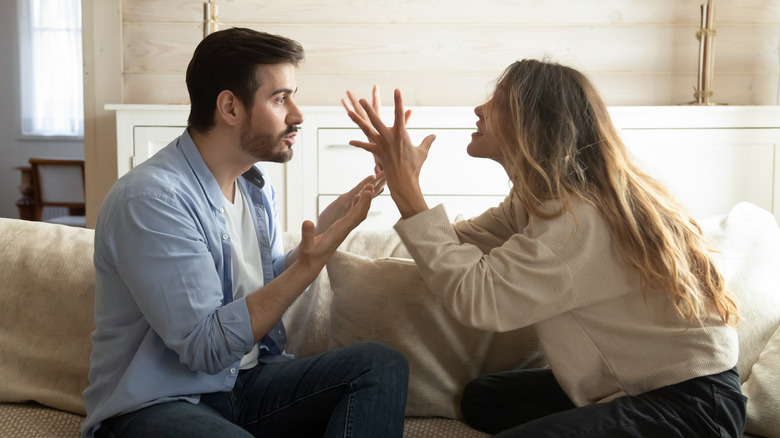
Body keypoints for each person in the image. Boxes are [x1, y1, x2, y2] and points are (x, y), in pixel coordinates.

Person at [342, 59, 747, 437]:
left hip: (693, 405)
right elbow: (452, 246)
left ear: (533, 124)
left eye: (498, 102)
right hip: (639, 386)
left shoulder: (580, 220)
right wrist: (400, 185)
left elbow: (480, 298)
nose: (479, 109)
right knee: (484, 399)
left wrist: (408, 188)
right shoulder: (538, 201)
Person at [81, 28, 409, 438]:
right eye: (279, 99)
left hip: (245, 384)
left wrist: (332, 226)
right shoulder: (150, 200)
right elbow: (206, 348)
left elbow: (267, 280)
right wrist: (308, 267)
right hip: (159, 404)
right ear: (230, 107)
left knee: (379, 365)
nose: (298, 115)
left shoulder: (254, 185)